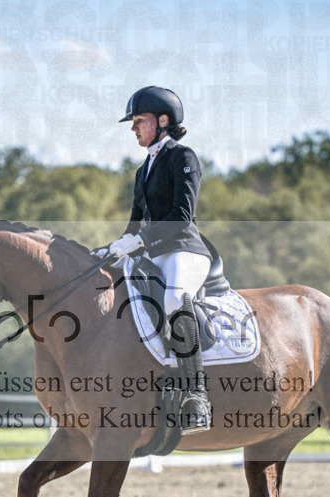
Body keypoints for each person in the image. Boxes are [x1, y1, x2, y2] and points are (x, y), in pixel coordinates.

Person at [102, 86, 212, 434]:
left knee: (175, 299)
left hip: (184, 250)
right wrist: (111, 249)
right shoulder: (142, 170)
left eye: (139, 120)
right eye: (132, 122)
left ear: (163, 121)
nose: (133, 127)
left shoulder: (184, 158)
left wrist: (141, 239)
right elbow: (135, 224)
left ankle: (197, 396)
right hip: (152, 255)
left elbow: (182, 214)